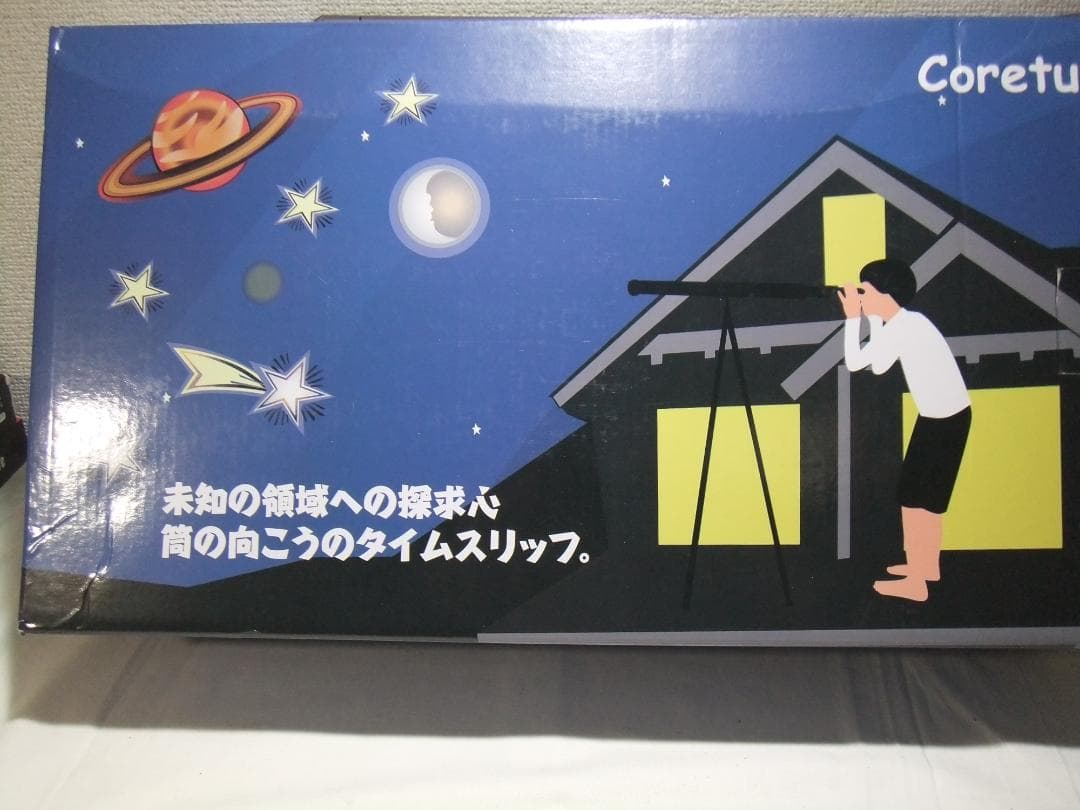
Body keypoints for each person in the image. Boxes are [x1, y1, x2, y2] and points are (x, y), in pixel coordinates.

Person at [838, 258, 971, 602]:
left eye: (865, 291)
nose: (860, 296)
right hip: (942, 417)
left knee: (916, 500)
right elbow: (880, 365)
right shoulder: (906, 322)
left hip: (942, 421)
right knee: (923, 498)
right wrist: (870, 319)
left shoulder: (906, 327)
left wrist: (852, 319)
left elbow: (856, 362)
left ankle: (917, 582)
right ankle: (925, 567)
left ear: (886, 294)